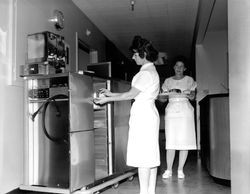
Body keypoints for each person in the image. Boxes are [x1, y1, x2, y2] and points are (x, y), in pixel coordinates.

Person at [94, 35, 160, 194]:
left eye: (136, 54)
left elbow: (130, 95)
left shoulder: (144, 74)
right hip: (149, 113)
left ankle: (144, 192)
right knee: (150, 155)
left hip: (143, 115)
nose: (133, 57)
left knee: (144, 157)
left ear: (144, 54)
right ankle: (150, 192)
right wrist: (111, 94)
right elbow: (133, 93)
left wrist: (106, 99)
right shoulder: (152, 71)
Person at [160, 56, 197, 179]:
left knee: (184, 141)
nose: (179, 68)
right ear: (173, 67)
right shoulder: (168, 81)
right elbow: (162, 98)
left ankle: (180, 170)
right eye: (177, 66)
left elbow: (192, 97)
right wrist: (164, 95)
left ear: (185, 68)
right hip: (171, 111)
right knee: (171, 140)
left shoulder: (189, 80)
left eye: (181, 66)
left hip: (185, 111)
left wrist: (185, 93)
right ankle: (169, 170)